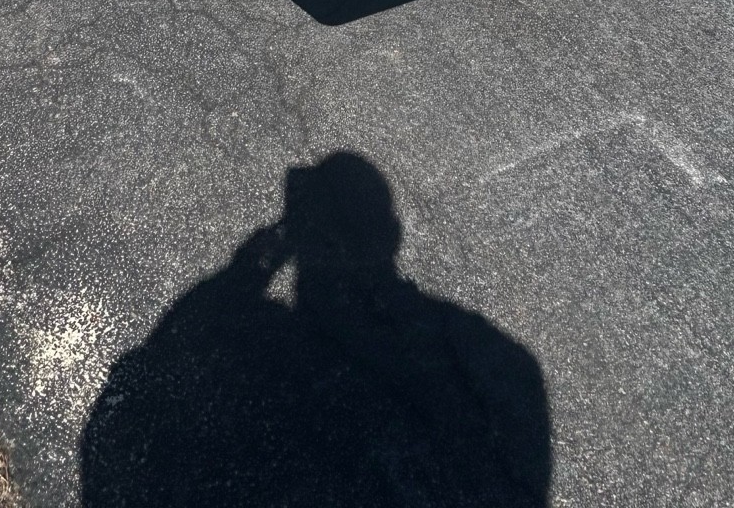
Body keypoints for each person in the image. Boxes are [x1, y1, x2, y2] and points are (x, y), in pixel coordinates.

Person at [80, 151, 551, 506]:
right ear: (389, 233)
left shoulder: (268, 347)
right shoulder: (488, 355)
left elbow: (165, 352)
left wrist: (249, 267)